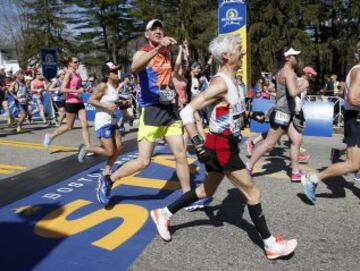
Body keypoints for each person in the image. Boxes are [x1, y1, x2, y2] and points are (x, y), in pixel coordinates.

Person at [150, 35, 297, 260]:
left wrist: (249, 114)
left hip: (226, 143)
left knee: (206, 191)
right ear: (227, 56)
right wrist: (198, 144)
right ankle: (270, 244)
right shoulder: (220, 83)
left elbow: (225, 110)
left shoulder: (234, 80)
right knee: (253, 192)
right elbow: (187, 112)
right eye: (239, 49)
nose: (244, 53)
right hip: (220, 147)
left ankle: (164, 212)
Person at [95, 19, 191, 206]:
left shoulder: (166, 53)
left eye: (160, 28)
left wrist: (175, 95)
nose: (158, 30)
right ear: (147, 35)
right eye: (153, 29)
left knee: (181, 155)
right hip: (151, 111)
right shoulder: (143, 52)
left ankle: (188, 195)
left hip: (168, 110)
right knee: (143, 162)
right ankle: (109, 179)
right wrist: (156, 49)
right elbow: (134, 67)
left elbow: (167, 78)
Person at [302, 43, 360, 203]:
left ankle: (336, 156)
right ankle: (313, 178)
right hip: (355, 119)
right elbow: (353, 98)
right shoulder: (359, 71)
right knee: (352, 165)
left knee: (354, 164)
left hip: (354, 118)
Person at [246, 48, 309, 182]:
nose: (296, 59)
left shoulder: (281, 72)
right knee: (269, 144)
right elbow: (292, 93)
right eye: (294, 56)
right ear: (287, 58)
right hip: (283, 112)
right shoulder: (288, 72)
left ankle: (295, 171)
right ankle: (248, 167)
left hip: (288, 113)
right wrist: (304, 86)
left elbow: (283, 90)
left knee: (296, 141)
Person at [78, 62, 122, 191]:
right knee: (109, 151)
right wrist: (107, 106)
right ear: (107, 74)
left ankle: (107, 170)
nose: (117, 73)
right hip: (103, 122)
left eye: (117, 70)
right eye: (114, 71)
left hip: (113, 121)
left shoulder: (114, 85)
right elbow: (90, 100)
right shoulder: (103, 85)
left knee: (118, 148)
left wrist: (123, 103)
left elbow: (111, 101)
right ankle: (87, 149)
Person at [43, 56, 90, 149]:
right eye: (75, 62)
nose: (77, 63)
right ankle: (50, 136)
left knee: (85, 125)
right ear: (70, 63)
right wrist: (77, 91)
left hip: (79, 102)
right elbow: (63, 89)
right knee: (69, 126)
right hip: (71, 102)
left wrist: (84, 89)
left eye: (78, 62)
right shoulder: (68, 73)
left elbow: (78, 87)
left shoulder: (77, 73)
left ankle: (88, 147)